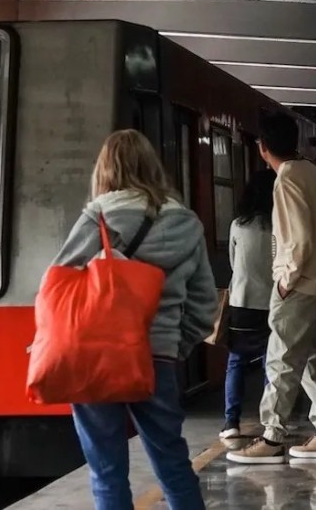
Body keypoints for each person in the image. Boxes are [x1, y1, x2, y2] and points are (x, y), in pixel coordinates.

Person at [50, 129, 217, 509]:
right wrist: (175, 345)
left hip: (98, 358)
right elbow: (204, 303)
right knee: (173, 464)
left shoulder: (98, 217)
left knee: (107, 471)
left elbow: (60, 283)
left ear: (105, 169)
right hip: (158, 359)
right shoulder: (187, 223)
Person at [227, 111, 316, 464]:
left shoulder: (287, 178)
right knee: (314, 361)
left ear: (263, 147)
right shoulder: (314, 173)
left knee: (281, 362)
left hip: (300, 285)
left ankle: (272, 438)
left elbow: (298, 239)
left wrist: (285, 281)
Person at [220, 169, 277, 439]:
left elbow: (234, 265)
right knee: (271, 363)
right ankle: (270, 422)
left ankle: (231, 423)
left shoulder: (237, 225)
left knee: (236, 362)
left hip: (241, 302)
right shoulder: (279, 225)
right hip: (272, 303)